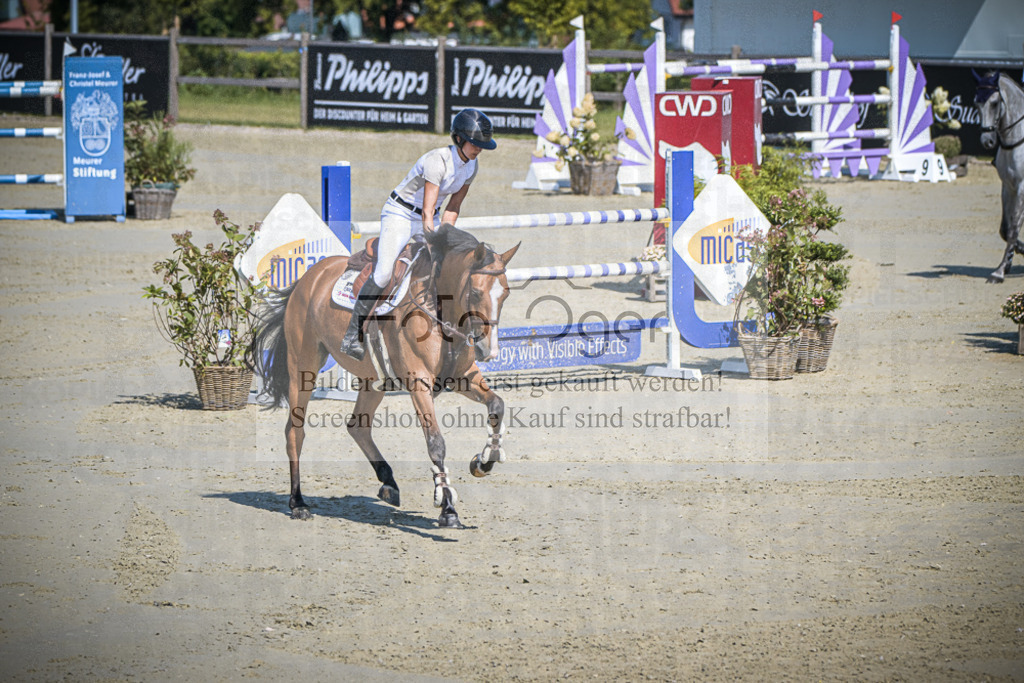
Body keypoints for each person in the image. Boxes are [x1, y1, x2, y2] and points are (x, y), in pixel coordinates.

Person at [340, 108, 497, 360]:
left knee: (450, 266)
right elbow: (425, 211)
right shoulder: (437, 161)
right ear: (459, 139)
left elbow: (453, 208)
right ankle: (353, 334)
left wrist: (448, 239)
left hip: (431, 215)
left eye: (481, 145)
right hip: (401, 213)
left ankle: (462, 331)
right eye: (474, 143)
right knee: (382, 273)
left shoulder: (472, 166)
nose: (479, 149)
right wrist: (436, 243)